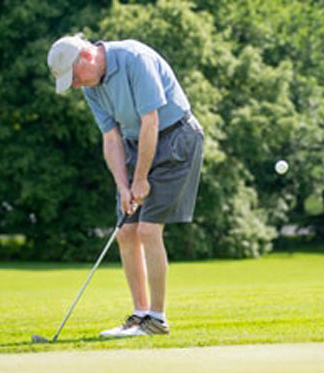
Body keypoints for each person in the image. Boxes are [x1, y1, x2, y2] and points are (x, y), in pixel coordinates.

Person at [47, 34, 204, 337]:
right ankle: (139, 315)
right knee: (125, 231)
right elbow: (111, 138)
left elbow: (151, 122)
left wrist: (141, 178)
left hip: (176, 138)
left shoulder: (134, 59)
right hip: (136, 143)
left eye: (75, 77)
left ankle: (156, 321)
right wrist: (123, 185)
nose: (76, 85)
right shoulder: (92, 86)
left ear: (87, 57)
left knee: (147, 229)